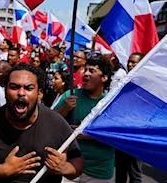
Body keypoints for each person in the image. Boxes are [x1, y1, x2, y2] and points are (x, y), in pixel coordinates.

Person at [0, 63, 84, 183]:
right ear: (5, 90)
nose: (21, 93)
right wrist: (3, 170)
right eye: (14, 87)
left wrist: (65, 168)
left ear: (39, 93)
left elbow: (77, 162)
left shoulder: (56, 122)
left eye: (29, 88)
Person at [54, 55, 115, 182]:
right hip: (69, 167)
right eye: (85, 70)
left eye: (92, 71)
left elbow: (117, 136)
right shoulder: (70, 95)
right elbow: (50, 122)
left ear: (104, 78)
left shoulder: (111, 104)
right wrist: (65, 108)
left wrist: (90, 134)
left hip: (98, 171)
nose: (85, 74)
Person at [115, 52, 144, 183]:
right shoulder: (123, 81)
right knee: (120, 171)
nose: (130, 65)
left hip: (136, 135)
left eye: (134, 62)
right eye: (129, 62)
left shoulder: (147, 84)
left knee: (135, 173)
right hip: (121, 132)